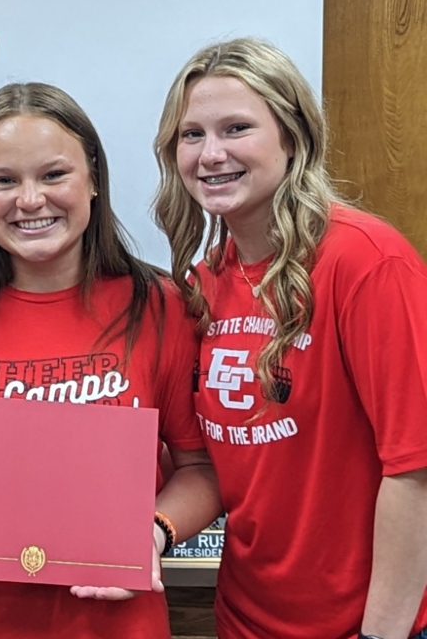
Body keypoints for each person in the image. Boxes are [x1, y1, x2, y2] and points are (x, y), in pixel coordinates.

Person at [0, 82, 222, 639]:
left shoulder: (159, 306)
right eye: (3, 180)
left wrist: (154, 531)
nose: (30, 200)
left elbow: (200, 469)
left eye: (53, 175)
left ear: (93, 178)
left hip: (114, 625)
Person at [153, 37, 427, 639]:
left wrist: (380, 636)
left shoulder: (367, 262)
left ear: (293, 135)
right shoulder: (204, 284)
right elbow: (210, 460)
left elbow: (416, 470)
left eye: (236, 128)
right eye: (191, 134)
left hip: (364, 625)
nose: (211, 153)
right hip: (244, 619)